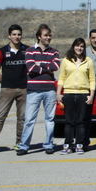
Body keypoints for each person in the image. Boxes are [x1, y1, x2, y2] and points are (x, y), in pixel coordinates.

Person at [0, 24, 28, 154]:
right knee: (0, 117)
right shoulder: (1, 51)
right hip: (7, 89)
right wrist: (6, 82)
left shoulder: (27, 50)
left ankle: (19, 142)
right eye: (14, 34)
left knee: (22, 118)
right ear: (9, 36)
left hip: (24, 90)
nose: (16, 37)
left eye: (19, 34)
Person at [17, 24, 60, 156]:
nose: (48, 37)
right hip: (33, 90)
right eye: (46, 35)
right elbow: (30, 68)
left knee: (50, 119)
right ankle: (24, 146)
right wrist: (46, 67)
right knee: (29, 119)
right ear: (39, 37)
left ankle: (48, 144)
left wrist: (39, 65)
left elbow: (56, 66)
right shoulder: (30, 51)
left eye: (49, 35)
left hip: (49, 90)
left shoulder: (54, 51)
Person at [56, 38, 96, 154]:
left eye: (82, 46)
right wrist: (59, 93)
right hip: (68, 94)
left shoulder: (88, 61)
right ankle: (68, 145)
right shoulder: (66, 61)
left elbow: (92, 79)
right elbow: (61, 78)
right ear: (73, 47)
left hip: (83, 94)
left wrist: (91, 95)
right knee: (69, 121)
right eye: (77, 46)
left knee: (80, 121)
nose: (79, 48)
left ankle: (79, 144)